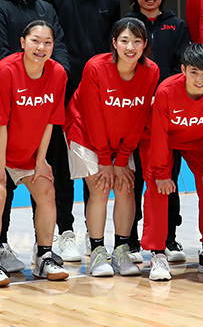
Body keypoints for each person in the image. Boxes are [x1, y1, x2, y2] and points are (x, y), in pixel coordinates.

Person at [0, 0, 70, 272]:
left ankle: (45, 253)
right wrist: (28, 76)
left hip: (36, 110)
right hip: (4, 115)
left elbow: (58, 46)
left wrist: (49, 75)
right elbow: (1, 52)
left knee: (46, 183)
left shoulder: (46, 8)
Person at [0, 20, 70, 286]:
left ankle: (44, 256)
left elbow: (51, 121)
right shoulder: (5, 71)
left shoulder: (58, 73)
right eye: (35, 40)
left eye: (48, 42)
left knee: (47, 190)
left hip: (28, 148)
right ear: (23, 43)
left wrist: (41, 161)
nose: (41, 47)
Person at [44, 0, 120, 260]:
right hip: (65, 92)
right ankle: (65, 231)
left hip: (102, 96)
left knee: (96, 169)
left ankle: (96, 235)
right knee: (63, 167)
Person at [65, 18, 159, 277]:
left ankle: (121, 249)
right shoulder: (95, 67)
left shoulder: (151, 71)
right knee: (100, 186)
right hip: (85, 133)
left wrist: (122, 159)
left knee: (126, 187)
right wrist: (106, 161)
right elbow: (93, 116)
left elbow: (140, 116)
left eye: (137, 41)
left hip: (121, 141)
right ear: (114, 43)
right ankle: (97, 252)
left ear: (144, 45)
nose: (131, 47)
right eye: (125, 40)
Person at [140, 44, 203, 281]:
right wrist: (162, 172)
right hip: (163, 140)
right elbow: (159, 133)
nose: (200, 79)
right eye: (194, 72)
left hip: (201, 142)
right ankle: (158, 254)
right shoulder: (166, 91)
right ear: (183, 70)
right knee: (157, 190)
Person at [125, 0, 191, 263]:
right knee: (136, 178)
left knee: (168, 175)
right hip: (133, 114)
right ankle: (132, 238)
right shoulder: (127, 25)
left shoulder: (176, 25)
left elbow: (182, 69)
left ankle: (169, 237)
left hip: (167, 115)